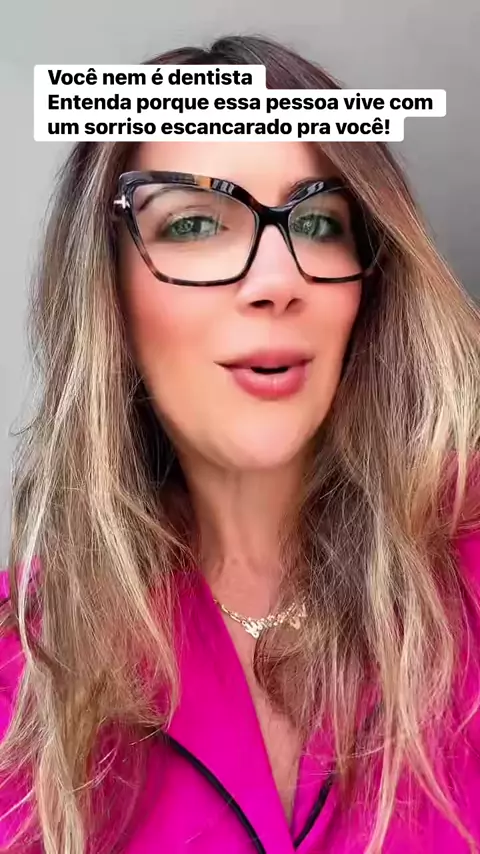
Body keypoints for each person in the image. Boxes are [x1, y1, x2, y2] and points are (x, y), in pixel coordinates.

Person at [1, 34, 480, 854]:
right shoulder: (24, 661)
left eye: (318, 221)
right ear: (109, 296)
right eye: (194, 223)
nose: (276, 280)